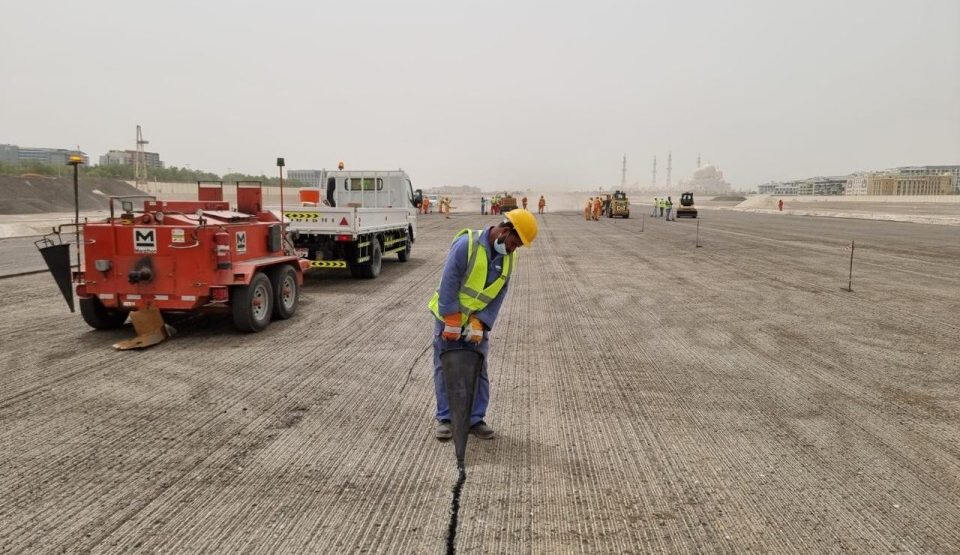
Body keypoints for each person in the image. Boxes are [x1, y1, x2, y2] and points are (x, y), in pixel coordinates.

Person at [429, 209, 539, 440]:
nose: (512, 249)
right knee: (446, 367)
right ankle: (446, 419)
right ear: (504, 231)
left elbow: (500, 292)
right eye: (513, 243)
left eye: (517, 247)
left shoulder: (508, 257)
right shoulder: (466, 244)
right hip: (448, 316)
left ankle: (475, 420)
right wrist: (450, 317)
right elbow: (449, 279)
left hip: (476, 320)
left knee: (478, 369)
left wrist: (482, 321)